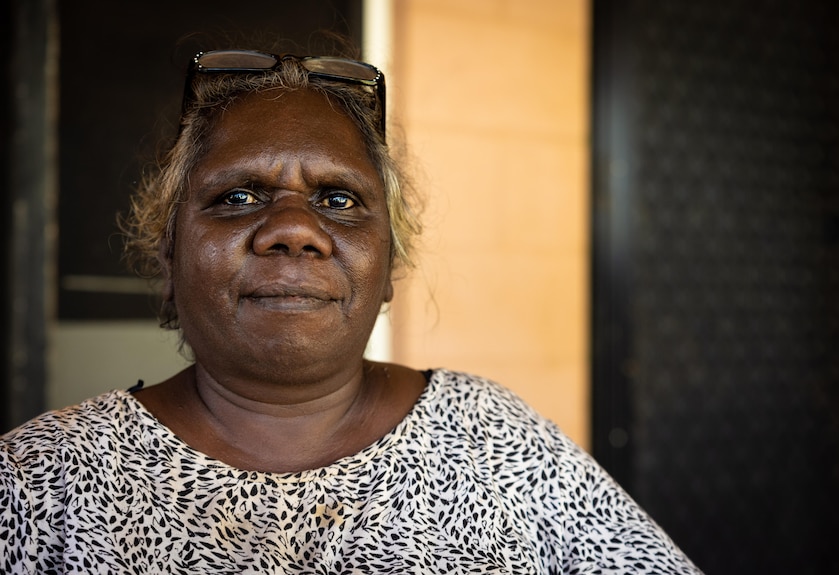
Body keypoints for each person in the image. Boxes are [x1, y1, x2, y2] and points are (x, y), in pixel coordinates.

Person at [0, 46, 702, 574]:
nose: (294, 228)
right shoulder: (38, 482)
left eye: (339, 200)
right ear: (168, 264)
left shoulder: (499, 439)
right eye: (238, 196)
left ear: (388, 270)